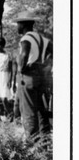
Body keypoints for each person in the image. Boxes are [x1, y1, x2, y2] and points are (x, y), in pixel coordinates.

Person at [15, 11, 52, 140]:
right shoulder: (44, 39)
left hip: (28, 78)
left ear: (23, 25)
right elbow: (51, 57)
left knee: (28, 112)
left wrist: (21, 68)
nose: (17, 27)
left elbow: (24, 55)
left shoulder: (26, 39)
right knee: (41, 113)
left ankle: (32, 147)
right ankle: (43, 145)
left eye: (18, 24)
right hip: (41, 78)